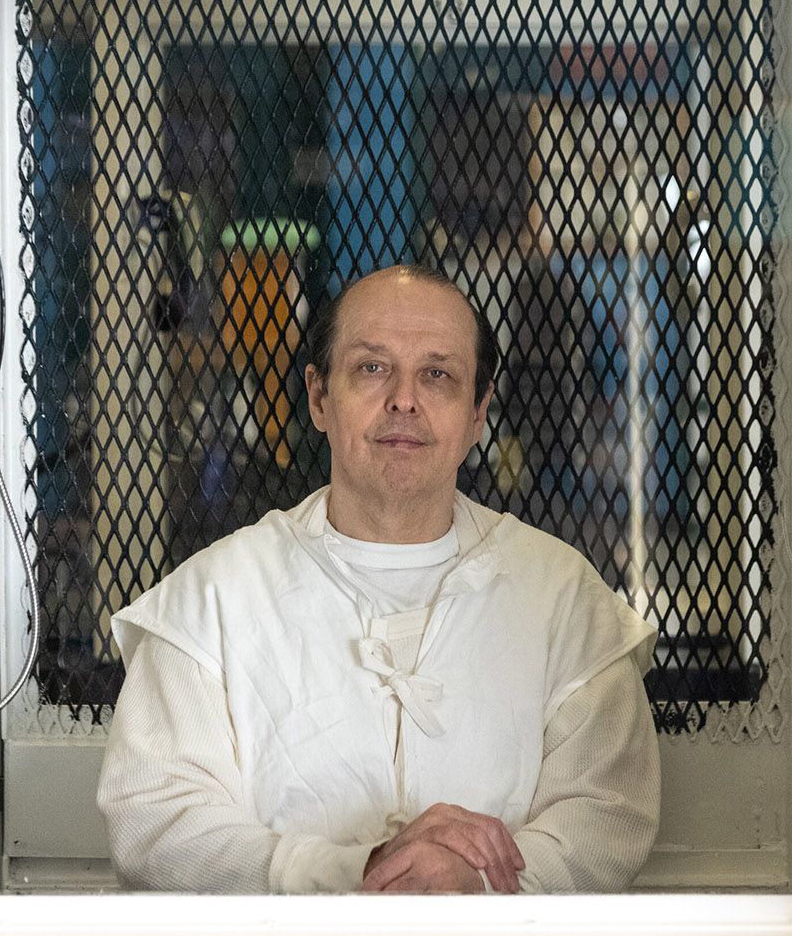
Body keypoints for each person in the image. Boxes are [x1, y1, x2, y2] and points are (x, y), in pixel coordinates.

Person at [97, 263, 659, 893]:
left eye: (438, 376)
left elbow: (607, 816)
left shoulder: (563, 601)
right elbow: (155, 822)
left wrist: (477, 886)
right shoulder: (212, 602)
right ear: (318, 397)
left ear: (478, 415)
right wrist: (356, 871)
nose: (404, 400)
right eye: (371, 368)